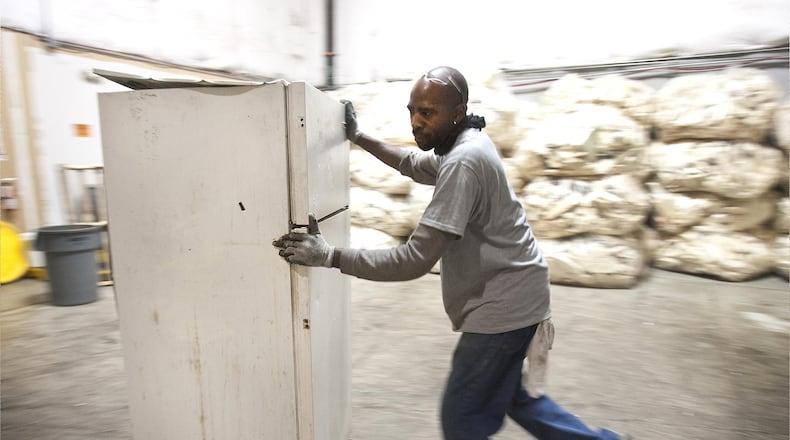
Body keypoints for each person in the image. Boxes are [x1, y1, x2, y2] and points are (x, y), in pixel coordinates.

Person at [273, 66, 631, 440]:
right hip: (523, 294)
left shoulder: (463, 162)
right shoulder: (466, 142)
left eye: (427, 112)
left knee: (461, 420)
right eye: (411, 111)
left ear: (457, 111)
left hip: (504, 308)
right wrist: (358, 137)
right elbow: (410, 163)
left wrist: (330, 256)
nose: (416, 122)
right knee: (515, 398)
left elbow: (413, 260)